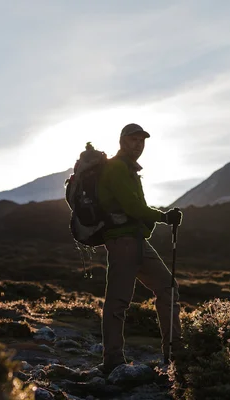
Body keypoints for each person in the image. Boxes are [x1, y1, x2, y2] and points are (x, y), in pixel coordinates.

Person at [96, 123, 183, 374]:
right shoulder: (116, 168)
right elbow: (133, 207)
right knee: (119, 300)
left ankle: (175, 352)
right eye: (133, 139)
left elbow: (136, 208)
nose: (138, 144)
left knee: (168, 287)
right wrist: (164, 217)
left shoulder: (130, 170)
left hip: (135, 240)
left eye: (142, 140)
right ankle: (112, 360)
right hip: (122, 241)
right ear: (122, 141)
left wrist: (156, 219)